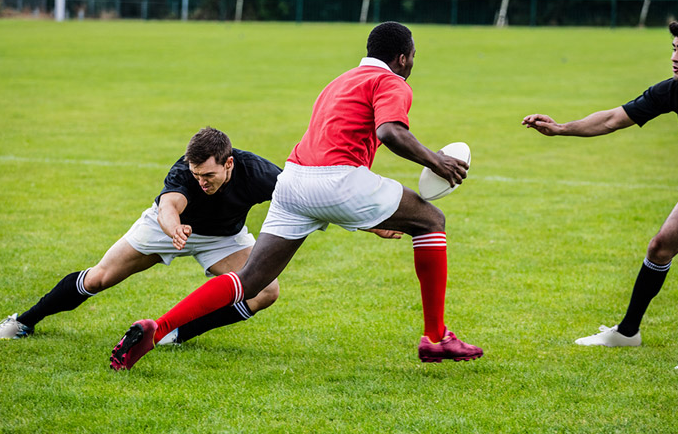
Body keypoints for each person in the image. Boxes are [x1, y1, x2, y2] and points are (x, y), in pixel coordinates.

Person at [109, 21, 483, 370]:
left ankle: (158, 326)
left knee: (250, 280)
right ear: (402, 57)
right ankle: (435, 337)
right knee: (431, 221)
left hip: (293, 181)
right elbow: (390, 132)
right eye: (412, 57)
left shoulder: (339, 81)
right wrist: (438, 162)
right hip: (338, 179)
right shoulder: (392, 83)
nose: (412, 64)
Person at [522, 14, 678, 370]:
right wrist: (561, 128)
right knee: (660, 246)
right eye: (673, 49)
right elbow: (614, 118)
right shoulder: (674, 89)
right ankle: (627, 332)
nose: (674, 57)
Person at [0, 127, 282, 347]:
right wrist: (174, 229)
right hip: (167, 229)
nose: (201, 182)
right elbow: (169, 206)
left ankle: (175, 335)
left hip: (223, 238)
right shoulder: (184, 171)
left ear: (228, 164)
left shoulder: (258, 172)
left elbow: (293, 199)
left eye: (208, 175)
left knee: (266, 292)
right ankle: (24, 321)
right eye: (196, 175)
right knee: (99, 278)